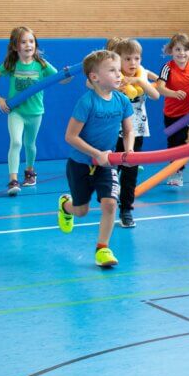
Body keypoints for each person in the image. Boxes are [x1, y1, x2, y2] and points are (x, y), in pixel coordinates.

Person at [57, 50, 134, 268]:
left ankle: (103, 249)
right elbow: (70, 136)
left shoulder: (122, 100)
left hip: (107, 164)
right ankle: (65, 206)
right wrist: (95, 154)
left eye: (119, 70)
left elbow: (129, 131)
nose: (119, 75)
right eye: (112, 70)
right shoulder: (87, 102)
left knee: (110, 204)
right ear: (94, 77)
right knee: (81, 211)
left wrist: (127, 152)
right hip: (80, 163)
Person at [0, 26, 65, 196]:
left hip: (35, 113)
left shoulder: (42, 65)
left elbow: (61, 80)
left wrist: (67, 74)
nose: (28, 45)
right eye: (23, 42)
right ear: (15, 46)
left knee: (30, 144)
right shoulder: (11, 65)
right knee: (16, 142)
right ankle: (13, 180)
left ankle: (29, 171)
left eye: (31, 41)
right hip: (16, 112)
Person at [110, 38, 159, 228]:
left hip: (136, 132)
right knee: (110, 169)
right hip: (113, 132)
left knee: (130, 172)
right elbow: (91, 85)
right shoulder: (114, 77)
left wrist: (140, 80)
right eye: (127, 59)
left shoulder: (141, 75)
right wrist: (117, 86)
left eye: (136, 58)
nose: (133, 63)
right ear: (118, 60)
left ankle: (126, 210)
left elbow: (155, 95)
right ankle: (110, 197)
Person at [155, 33, 189, 187]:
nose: (181, 53)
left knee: (179, 140)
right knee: (172, 143)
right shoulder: (167, 68)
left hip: (188, 113)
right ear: (171, 51)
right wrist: (174, 94)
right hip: (170, 113)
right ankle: (174, 168)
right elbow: (160, 88)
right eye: (177, 49)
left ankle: (178, 172)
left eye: (185, 50)